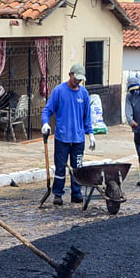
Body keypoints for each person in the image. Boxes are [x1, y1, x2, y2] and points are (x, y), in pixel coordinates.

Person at [40, 63, 95, 206]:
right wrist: (45, 123)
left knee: (77, 167)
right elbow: (47, 110)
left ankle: (76, 193)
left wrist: (91, 134)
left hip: (78, 138)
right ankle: (58, 194)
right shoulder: (59, 91)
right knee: (60, 167)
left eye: (80, 79)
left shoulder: (84, 94)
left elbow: (86, 117)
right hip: (62, 138)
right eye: (76, 78)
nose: (78, 81)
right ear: (70, 75)